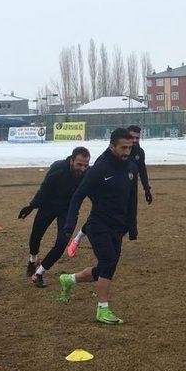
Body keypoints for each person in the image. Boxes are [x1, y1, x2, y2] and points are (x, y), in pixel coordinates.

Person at [58, 128, 138, 324]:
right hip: (98, 224)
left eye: (130, 147)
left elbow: (132, 199)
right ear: (112, 146)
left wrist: (132, 225)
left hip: (118, 227)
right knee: (109, 261)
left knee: (103, 269)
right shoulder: (99, 169)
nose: (127, 152)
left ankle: (68, 279)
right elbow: (78, 196)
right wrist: (70, 223)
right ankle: (102, 309)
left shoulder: (131, 168)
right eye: (123, 147)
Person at [66, 125, 151, 257]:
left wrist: (147, 189)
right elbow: (82, 191)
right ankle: (78, 238)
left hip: (118, 205)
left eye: (136, 138)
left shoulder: (138, 154)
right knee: (101, 213)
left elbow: (141, 173)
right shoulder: (104, 162)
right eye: (131, 138)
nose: (134, 141)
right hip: (100, 191)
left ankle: (76, 276)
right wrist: (70, 223)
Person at [18, 147, 91, 288]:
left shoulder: (88, 173)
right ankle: (33, 259)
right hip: (49, 205)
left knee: (62, 242)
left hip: (68, 210)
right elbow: (44, 189)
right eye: (79, 164)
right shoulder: (58, 168)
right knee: (36, 235)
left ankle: (39, 273)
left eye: (86, 165)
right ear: (71, 160)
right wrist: (31, 206)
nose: (82, 168)